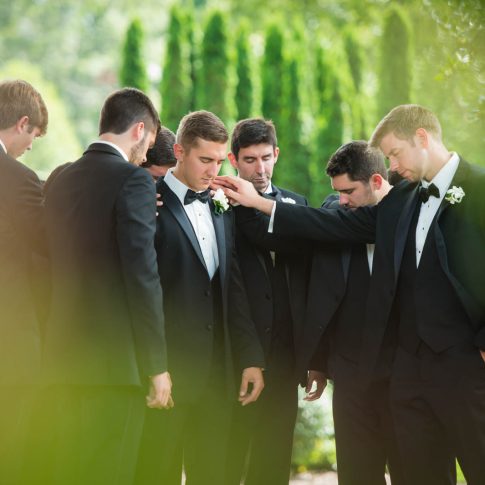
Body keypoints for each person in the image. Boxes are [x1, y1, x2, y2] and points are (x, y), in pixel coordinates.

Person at [217, 104, 485, 485]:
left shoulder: (419, 197)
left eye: (395, 154)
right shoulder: (374, 208)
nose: (393, 163)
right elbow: (312, 247)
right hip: (370, 376)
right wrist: (256, 202)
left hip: (438, 368)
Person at [34, 87, 170, 485]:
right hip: (114, 367)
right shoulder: (134, 181)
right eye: (147, 144)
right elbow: (142, 274)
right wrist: (157, 365)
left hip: (60, 358)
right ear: (139, 129)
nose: (145, 155)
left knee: (67, 472)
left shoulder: (60, 178)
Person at [135, 110, 265, 485]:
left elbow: (232, 286)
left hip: (218, 374)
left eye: (219, 161)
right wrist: (154, 367)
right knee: (156, 473)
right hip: (167, 374)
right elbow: (143, 290)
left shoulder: (222, 206)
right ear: (179, 151)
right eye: (204, 159)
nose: (213, 170)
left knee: (214, 474)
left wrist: (251, 357)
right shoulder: (150, 204)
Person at [301, 141, 404, 485]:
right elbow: (321, 290)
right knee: (357, 474)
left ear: (376, 181)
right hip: (350, 376)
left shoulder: (410, 214)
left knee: (417, 471)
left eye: (349, 191)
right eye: (338, 192)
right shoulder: (336, 215)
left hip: (405, 376)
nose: (342, 200)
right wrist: (318, 359)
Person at [224, 118, 310, 485]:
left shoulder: (297, 203)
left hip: (287, 356)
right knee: (229, 457)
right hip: (238, 353)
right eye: (249, 160)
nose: (259, 169)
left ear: (276, 154)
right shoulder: (221, 206)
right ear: (233, 160)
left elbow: (307, 283)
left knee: (275, 459)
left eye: (265, 158)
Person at [0, 79, 48, 484]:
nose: (31, 145)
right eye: (33, 135)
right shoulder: (17, 179)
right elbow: (48, 248)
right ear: (22, 123)